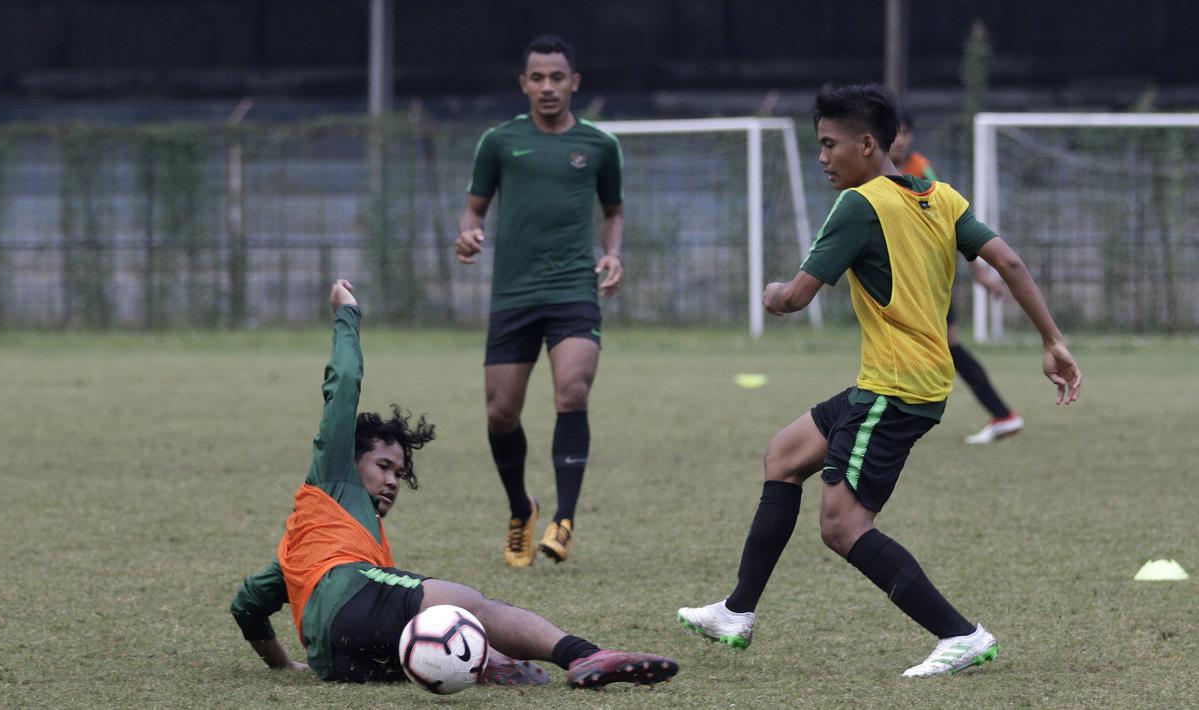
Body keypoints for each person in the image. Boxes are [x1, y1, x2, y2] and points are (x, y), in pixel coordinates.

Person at [677, 84, 1082, 677]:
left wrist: (771, 294)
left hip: (896, 389)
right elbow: (1010, 262)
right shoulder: (942, 197)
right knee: (784, 455)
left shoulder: (859, 205)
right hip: (903, 382)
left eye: (829, 144)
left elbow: (795, 297)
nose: (822, 157)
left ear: (866, 144)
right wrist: (1052, 340)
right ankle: (737, 611)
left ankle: (960, 635)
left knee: (842, 526)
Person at [229, 280, 678, 689]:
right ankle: (583, 655)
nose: (392, 481)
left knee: (426, 630)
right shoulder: (333, 476)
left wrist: (284, 665)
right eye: (383, 466)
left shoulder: (302, 550)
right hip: (351, 600)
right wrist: (347, 312)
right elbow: (343, 382)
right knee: (471, 606)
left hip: (337, 661)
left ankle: (487, 661)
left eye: (398, 473)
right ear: (350, 458)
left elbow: (247, 605)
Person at [456, 34, 624, 567]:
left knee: (572, 390)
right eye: (537, 78)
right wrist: (468, 233)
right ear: (523, 84)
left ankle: (564, 520)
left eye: (557, 77)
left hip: (574, 289)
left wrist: (612, 253)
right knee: (501, 412)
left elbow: (613, 211)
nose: (547, 86)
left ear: (575, 82)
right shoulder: (499, 142)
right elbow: (474, 208)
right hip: (514, 294)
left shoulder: (600, 146)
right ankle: (520, 509)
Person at [890, 113, 1023, 444]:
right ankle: (1001, 414)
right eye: (894, 132)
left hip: (929, 279)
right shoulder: (872, 176)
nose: (899, 139)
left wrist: (979, 272)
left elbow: (951, 222)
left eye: (905, 132)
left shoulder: (921, 171)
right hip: (903, 278)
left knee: (935, 348)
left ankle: (1002, 414)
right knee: (934, 348)